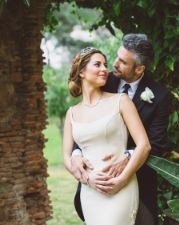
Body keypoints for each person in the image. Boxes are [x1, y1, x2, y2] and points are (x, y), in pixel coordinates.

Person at [70, 34, 171, 225]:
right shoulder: (102, 81)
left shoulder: (158, 96)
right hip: (97, 181)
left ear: (139, 68)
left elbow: (156, 144)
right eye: (116, 57)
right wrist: (75, 153)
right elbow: (86, 122)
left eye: (123, 62)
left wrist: (127, 156)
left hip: (138, 181)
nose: (114, 64)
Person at [63, 47, 151, 225]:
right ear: (81, 72)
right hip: (90, 191)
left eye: (105, 64)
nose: (104, 69)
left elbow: (144, 145)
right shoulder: (72, 113)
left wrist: (121, 179)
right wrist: (87, 178)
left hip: (120, 187)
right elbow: (66, 157)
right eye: (97, 64)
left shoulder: (121, 101)